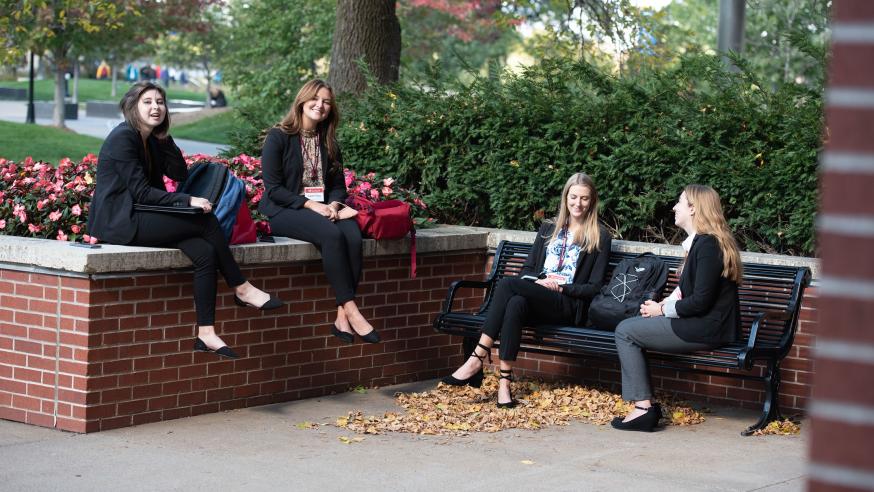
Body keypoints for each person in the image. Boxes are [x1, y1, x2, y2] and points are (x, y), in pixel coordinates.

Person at [87, 81, 284, 359]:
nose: (155, 107)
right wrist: (186, 201)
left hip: (142, 212)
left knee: (204, 253)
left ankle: (206, 333)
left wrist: (163, 138)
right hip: (121, 220)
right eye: (147, 102)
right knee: (203, 220)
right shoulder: (123, 138)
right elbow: (141, 191)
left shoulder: (150, 138)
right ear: (132, 106)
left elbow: (179, 173)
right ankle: (241, 287)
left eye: (160, 102)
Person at [442, 173, 612, 407]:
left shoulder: (599, 236)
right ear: (565, 197)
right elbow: (528, 269)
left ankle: (477, 357)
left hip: (567, 303)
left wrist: (561, 287)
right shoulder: (549, 228)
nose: (578, 203)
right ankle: (504, 386)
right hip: (539, 296)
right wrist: (538, 283)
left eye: (584, 198)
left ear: (592, 201)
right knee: (515, 304)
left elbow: (594, 288)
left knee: (507, 284)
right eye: (573, 197)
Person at [611, 184, 742, 432]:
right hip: (700, 325)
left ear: (693, 208)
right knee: (630, 326)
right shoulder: (702, 244)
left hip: (705, 328)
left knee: (625, 331)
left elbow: (701, 301)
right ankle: (644, 407)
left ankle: (643, 409)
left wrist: (661, 311)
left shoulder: (708, 246)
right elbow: (688, 293)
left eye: (680, 202)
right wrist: (660, 305)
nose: (674, 207)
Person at [259, 79, 378, 344]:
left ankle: (341, 317)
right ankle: (352, 310)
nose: (320, 105)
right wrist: (312, 205)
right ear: (302, 101)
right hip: (286, 210)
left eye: (326, 102)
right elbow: (274, 189)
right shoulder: (278, 137)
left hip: (324, 209)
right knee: (332, 236)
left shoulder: (329, 141)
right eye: (316, 99)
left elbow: (338, 186)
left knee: (352, 236)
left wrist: (334, 206)